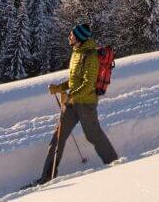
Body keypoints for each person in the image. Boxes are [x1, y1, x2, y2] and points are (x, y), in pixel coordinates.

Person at [36, 23, 119, 185]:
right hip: (72, 102)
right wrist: (59, 88)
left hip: (86, 103)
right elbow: (75, 81)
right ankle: (46, 178)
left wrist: (70, 95)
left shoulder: (90, 56)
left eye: (72, 35)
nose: (70, 37)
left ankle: (115, 163)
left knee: (93, 135)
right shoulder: (76, 53)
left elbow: (88, 84)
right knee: (57, 138)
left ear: (79, 38)